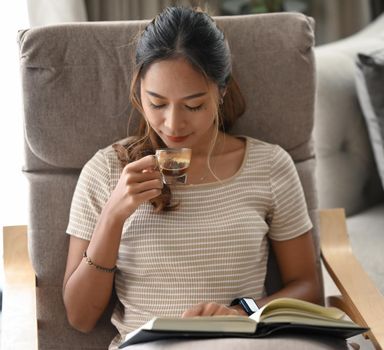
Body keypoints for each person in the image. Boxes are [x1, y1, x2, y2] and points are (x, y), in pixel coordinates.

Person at [61, 5, 346, 350]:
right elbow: (80, 317)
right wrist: (112, 216)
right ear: (138, 92)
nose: (173, 124)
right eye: (157, 103)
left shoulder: (269, 165)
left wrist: (242, 314)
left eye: (194, 105)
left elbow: (307, 287)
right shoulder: (107, 170)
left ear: (221, 91)